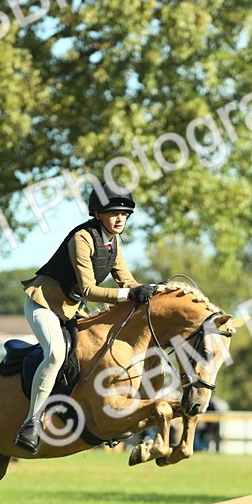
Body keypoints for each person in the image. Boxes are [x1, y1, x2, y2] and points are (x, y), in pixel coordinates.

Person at [13, 184, 156, 454]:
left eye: (125, 215)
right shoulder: (82, 238)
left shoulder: (113, 242)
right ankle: (30, 423)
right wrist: (129, 293)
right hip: (43, 302)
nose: (120, 219)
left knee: (94, 356)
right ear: (97, 214)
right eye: (114, 213)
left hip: (72, 308)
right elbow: (89, 289)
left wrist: (148, 292)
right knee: (55, 354)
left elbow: (127, 280)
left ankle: (102, 420)